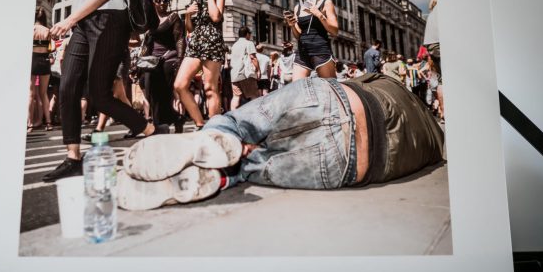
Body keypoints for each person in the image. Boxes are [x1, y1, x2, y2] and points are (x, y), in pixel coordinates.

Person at [117, 74, 444, 211]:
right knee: (248, 165)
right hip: (350, 161)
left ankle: (216, 139)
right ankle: (220, 175)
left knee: (236, 125)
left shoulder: (392, 84)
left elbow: (352, 80)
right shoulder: (434, 143)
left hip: (335, 96)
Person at [42, 0, 167, 183]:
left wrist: (68, 20)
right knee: (67, 86)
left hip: (108, 20)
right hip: (82, 22)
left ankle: (150, 130)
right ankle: (73, 158)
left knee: (100, 96)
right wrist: (74, 24)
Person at [173, 0, 225, 130]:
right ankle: (200, 123)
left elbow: (216, 17)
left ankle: (215, 129)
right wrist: (187, 15)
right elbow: (189, 29)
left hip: (212, 43)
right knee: (179, 85)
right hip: (195, 43)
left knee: (210, 88)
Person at [143, 0, 185, 132]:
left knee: (165, 92)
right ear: (153, 2)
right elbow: (146, 42)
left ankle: (160, 124)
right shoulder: (149, 19)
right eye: (158, 0)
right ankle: (174, 118)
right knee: (151, 91)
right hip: (152, 61)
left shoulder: (173, 17)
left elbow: (179, 39)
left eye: (165, 0)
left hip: (169, 58)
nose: (162, 3)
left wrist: (180, 60)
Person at [284, 0, 339, 81]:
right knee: (297, 88)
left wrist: (319, 14)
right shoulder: (297, 8)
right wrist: (292, 26)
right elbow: (298, 36)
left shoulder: (326, 3)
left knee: (331, 88)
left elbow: (334, 31)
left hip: (321, 51)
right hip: (302, 52)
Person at [28, 7, 54, 132]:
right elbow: (51, 48)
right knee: (43, 94)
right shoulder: (47, 31)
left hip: (32, 60)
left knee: (30, 94)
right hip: (44, 61)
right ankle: (48, 123)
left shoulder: (30, 29)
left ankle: (29, 124)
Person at [423, 0, 444, 122]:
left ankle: (443, 112)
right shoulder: (443, 8)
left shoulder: (432, 14)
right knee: (444, 80)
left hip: (431, 45)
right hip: (439, 44)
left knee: (441, 80)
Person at [229, 26, 260, 110]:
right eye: (250, 34)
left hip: (234, 75)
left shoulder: (234, 45)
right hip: (245, 74)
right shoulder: (249, 43)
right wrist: (258, 70)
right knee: (254, 96)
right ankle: (254, 116)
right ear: (247, 34)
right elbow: (253, 57)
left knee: (236, 97)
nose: (250, 36)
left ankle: (232, 116)